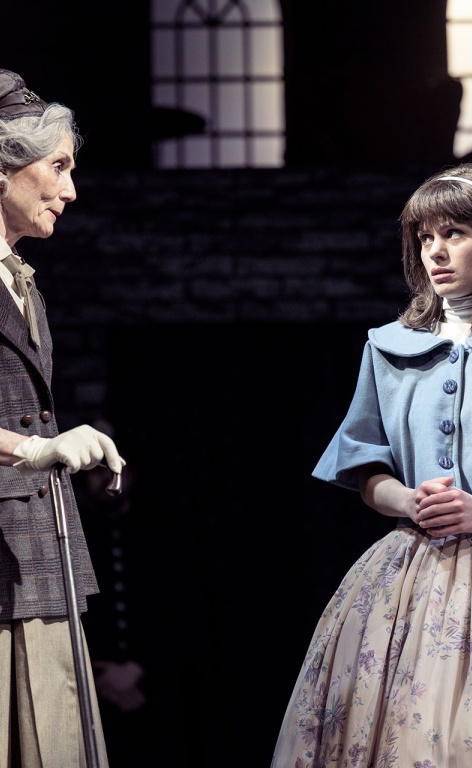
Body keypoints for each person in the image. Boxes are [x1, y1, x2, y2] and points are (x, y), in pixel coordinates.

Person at [270, 161, 472, 768]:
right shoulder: (389, 347)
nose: (436, 252)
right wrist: (407, 499)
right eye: (425, 237)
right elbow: (365, 469)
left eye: (454, 233)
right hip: (415, 568)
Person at [0, 68, 125, 767]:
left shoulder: (21, 283)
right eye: (58, 167)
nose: (70, 190)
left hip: (36, 556)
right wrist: (32, 450)